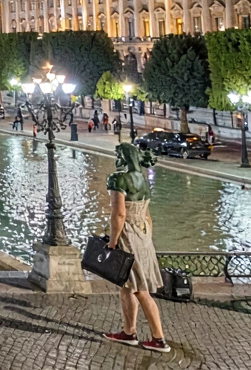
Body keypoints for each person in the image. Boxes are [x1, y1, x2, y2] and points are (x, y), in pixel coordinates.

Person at [102, 143, 170, 353]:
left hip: (128, 235)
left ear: (122, 157)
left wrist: (113, 242)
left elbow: (119, 214)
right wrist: (147, 236)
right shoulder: (144, 180)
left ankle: (158, 339)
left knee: (140, 289)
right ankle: (129, 332)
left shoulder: (118, 179)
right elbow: (147, 213)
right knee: (128, 286)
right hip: (143, 232)